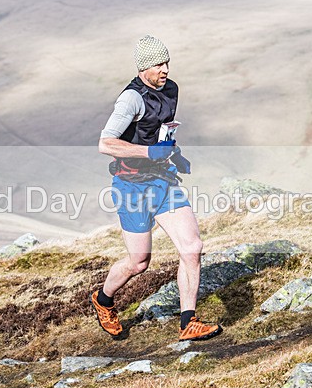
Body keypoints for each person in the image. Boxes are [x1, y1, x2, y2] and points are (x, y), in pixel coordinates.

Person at [92, 35, 223, 342]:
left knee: (192, 248)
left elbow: (157, 130)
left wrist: (173, 153)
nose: (165, 69)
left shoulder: (171, 89)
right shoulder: (131, 99)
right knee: (139, 263)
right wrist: (148, 154)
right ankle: (103, 299)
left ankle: (188, 322)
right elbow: (105, 143)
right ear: (142, 68)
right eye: (157, 64)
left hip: (162, 181)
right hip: (131, 187)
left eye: (167, 62)